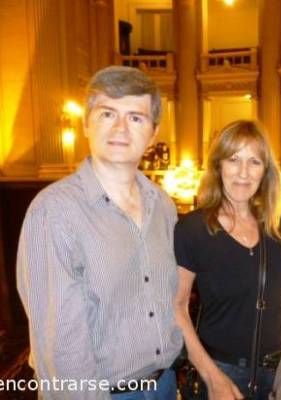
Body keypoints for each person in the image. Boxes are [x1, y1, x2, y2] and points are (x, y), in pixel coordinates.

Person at [17, 66, 183, 399]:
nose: (121, 128)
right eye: (108, 113)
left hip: (165, 384)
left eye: (135, 117)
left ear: (153, 133)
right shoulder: (54, 210)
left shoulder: (163, 205)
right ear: (86, 124)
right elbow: (60, 344)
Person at [173, 120, 281, 400]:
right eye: (234, 160)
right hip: (221, 371)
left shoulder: (278, 225)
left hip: (280, 373)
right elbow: (177, 307)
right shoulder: (192, 229)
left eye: (254, 162)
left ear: (265, 171)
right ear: (218, 166)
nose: (243, 172)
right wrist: (212, 377)